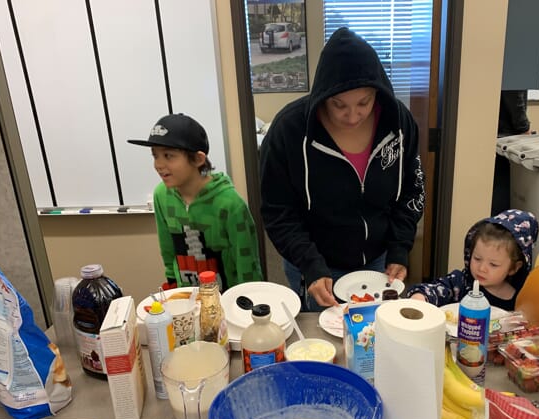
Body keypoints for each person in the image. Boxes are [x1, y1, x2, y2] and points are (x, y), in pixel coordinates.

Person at [259, 27, 425, 311]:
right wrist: (310, 264)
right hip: (314, 264)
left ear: (377, 92)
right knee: (323, 344)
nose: (352, 116)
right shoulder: (289, 130)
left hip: (378, 261)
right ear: (324, 96)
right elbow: (278, 211)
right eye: (339, 105)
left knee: (374, 339)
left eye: (364, 103)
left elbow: (411, 189)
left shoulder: (399, 123)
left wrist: (400, 247)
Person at [128, 113, 263, 292]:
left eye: (168, 156)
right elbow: (168, 248)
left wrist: (247, 301)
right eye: (155, 155)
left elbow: (247, 260)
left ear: (198, 159)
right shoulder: (161, 195)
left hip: (228, 299)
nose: (158, 164)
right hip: (188, 297)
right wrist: (173, 285)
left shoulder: (230, 204)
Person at [406, 209, 538, 310]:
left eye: (493, 264)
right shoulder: (462, 282)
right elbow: (435, 289)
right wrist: (420, 297)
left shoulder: (523, 296)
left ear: (514, 268)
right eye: (477, 258)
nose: (482, 268)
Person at [492, 90, 530, 216]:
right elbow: (513, 92)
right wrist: (524, 128)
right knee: (503, 189)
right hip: (508, 134)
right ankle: (501, 230)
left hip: (500, 130)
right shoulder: (515, 72)